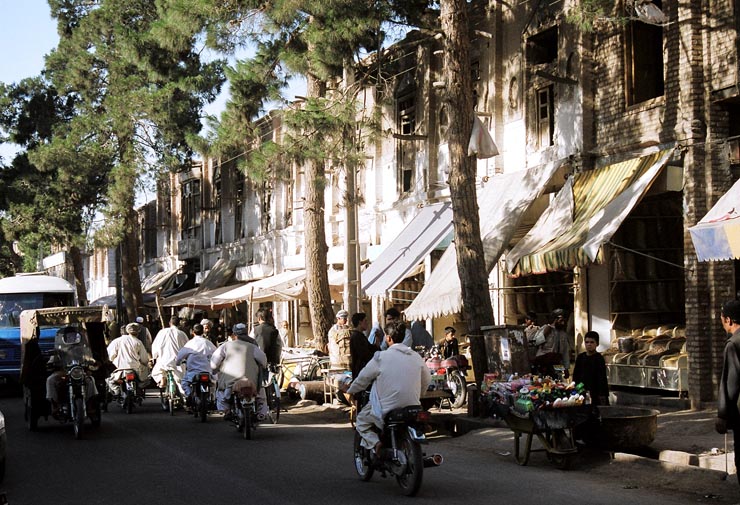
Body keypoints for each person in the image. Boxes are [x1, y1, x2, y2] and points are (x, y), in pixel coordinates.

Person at [347, 323, 431, 453]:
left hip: (387, 408)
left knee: (361, 421)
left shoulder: (381, 357)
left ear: (388, 338)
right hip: (413, 405)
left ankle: (376, 443)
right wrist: (419, 394)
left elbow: (363, 378)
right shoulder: (416, 357)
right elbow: (427, 379)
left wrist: (351, 391)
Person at [211, 323, 268, 417]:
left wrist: (216, 369)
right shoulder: (253, 347)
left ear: (234, 334)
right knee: (261, 396)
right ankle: (261, 414)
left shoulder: (225, 346)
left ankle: (226, 411)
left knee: (220, 393)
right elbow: (264, 361)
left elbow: (213, 364)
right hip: (251, 382)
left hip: (229, 383)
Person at [716, 299, 740, 484]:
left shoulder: (733, 345)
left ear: (729, 320)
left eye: (722, 319)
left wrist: (723, 415)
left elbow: (730, 384)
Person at [106, 323, 151, 395]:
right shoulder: (138, 342)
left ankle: (116, 390)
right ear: (138, 332)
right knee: (146, 377)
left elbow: (111, 356)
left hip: (119, 369)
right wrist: (146, 364)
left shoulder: (116, 341)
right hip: (135, 368)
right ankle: (138, 388)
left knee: (110, 381)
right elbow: (144, 358)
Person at [177, 323, 217, 398]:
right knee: (213, 386)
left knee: (184, 384)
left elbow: (180, 356)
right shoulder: (208, 343)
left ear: (193, 332)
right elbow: (217, 354)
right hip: (208, 372)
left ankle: (190, 396)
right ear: (203, 332)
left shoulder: (190, 344)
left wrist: (178, 363)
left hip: (193, 373)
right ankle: (212, 398)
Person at [150, 315, 189, 390]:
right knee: (181, 380)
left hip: (164, 361)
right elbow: (187, 348)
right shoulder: (182, 334)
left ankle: (162, 379)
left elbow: (155, 346)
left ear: (170, 323)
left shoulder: (162, 332)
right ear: (178, 324)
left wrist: (154, 356)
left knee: (157, 371)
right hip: (178, 363)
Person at [572, 331, 609, 406]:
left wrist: (602, 395)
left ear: (597, 344)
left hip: (596, 393)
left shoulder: (599, 358)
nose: (589, 344)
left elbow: (602, 378)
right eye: (587, 342)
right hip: (582, 392)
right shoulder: (580, 357)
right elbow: (576, 376)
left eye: (592, 342)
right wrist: (577, 389)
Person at [349, 312, 378, 382]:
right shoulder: (356, 337)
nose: (367, 323)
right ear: (360, 322)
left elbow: (370, 348)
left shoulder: (360, 336)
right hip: (360, 371)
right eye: (365, 321)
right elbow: (364, 354)